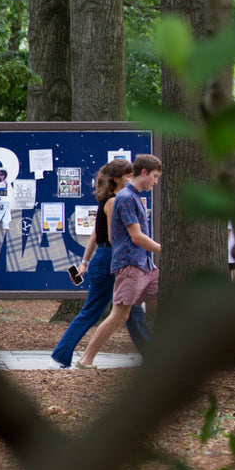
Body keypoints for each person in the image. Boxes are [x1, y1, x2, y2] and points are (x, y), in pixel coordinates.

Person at [49, 159, 151, 368]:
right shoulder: (115, 201)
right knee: (96, 310)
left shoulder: (108, 200)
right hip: (112, 258)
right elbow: (115, 237)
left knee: (130, 310)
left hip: (105, 257)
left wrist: (85, 263)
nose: (132, 179)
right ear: (117, 179)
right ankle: (59, 357)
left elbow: (96, 233)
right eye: (129, 175)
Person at [76, 153, 163, 369]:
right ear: (143, 172)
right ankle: (85, 360)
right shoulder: (125, 198)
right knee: (120, 314)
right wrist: (165, 250)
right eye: (154, 176)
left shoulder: (134, 197)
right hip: (130, 265)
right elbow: (135, 236)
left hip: (145, 265)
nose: (156, 182)